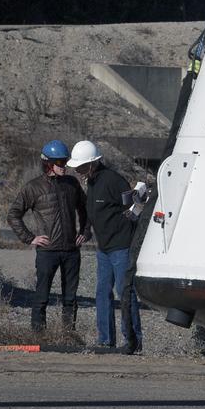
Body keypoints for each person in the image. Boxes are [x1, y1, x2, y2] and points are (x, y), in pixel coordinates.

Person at [67, 139, 146, 353]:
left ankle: (133, 341)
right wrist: (86, 231)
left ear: (93, 163)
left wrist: (128, 223)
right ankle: (105, 340)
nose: (79, 171)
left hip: (121, 247)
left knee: (124, 292)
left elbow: (137, 206)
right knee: (102, 292)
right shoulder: (91, 183)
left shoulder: (113, 181)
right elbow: (93, 212)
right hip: (104, 248)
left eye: (82, 167)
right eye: (77, 168)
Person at [7, 139, 89, 332]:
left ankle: (68, 335)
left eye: (65, 161)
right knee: (41, 297)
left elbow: (85, 209)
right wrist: (30, 238)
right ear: (48, 163)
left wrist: (85, 232)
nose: (64, 166)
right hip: (47, 252)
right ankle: (39, 337)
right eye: (60, 163)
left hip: (71, 251)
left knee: (70, 298)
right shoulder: (33, 187)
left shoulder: (72, 183)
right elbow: (13, 215)